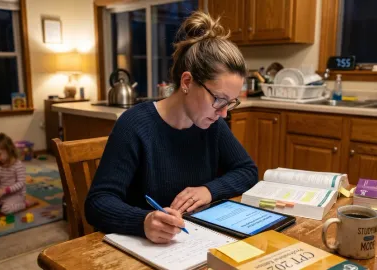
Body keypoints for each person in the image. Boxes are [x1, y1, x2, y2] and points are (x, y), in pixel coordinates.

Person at [85, 11, 258, 244]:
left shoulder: (212, 124)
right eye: (219, 99)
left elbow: (247, 170)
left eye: (230, 102)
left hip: (197, 241)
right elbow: (98, 202)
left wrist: (209, 190)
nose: (224, 113)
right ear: (187, 82)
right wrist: (143, 221)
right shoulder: (135, 124)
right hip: (145, 248)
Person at [0, 133, 36, 214]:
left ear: (9, 150)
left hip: (16, 195)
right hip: (1, 194)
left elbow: (21, 183)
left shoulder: (18, 165)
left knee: (5, 210)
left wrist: (5, 190)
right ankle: (0, 203)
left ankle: (24, 204)